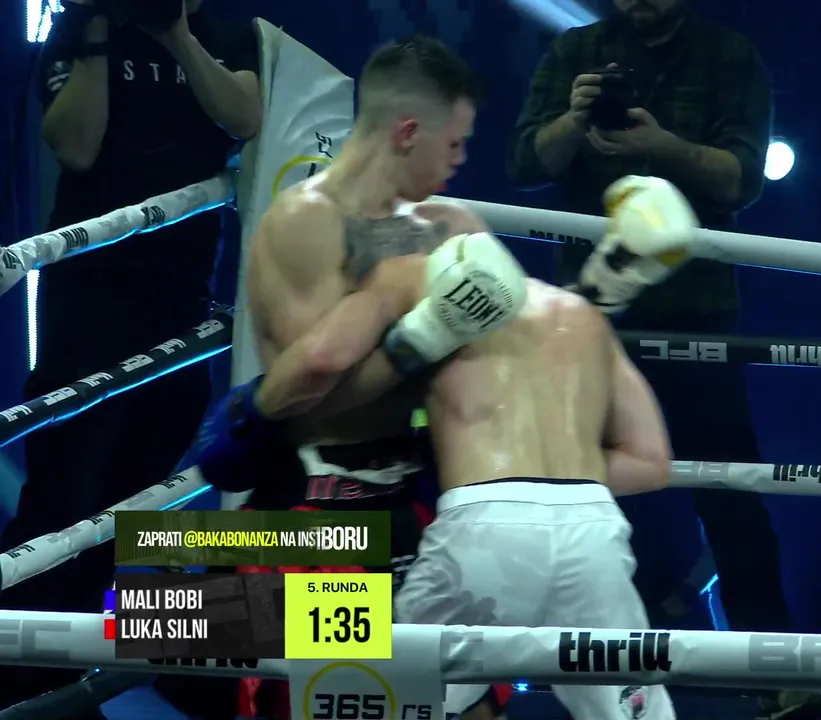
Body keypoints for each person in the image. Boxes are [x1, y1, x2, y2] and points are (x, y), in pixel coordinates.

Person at [193, 36, 523, 720]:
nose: (461, 160)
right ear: (408, 132)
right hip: (317, 516)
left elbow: (512, 348)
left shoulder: (447, 225)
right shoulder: (305, 222)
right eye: (454, 144)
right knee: (342, 698)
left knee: (477, 704)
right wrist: (424, 336)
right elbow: (309, 396)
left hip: (416, 497)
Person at [509, 4, 821, 717]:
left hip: (694, 313)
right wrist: (573, 120)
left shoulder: (728, 54)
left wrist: (667, 146)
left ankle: (773, 669)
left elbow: (743, 180)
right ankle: (568, 672)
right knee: (572, 497)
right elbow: (525, 162)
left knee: (731, 498)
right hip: (592, 316)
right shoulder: (575, 53)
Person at [0, 1, 260, 718]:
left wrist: (174, 34)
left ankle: (71, 680)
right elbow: (75, 146)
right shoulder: (82, 26)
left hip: (180, 305)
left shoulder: (230, 36)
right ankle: (20, 682)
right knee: (62, 495)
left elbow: (245, 117)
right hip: (88, 301)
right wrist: (95, 32)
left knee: (136, 503)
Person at [393, 174, 695, 720]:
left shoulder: (415, 305)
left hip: (461, 523)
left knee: (383, 690)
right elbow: (651, 463)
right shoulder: (581, 315)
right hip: (592, 528)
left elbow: (321, 381)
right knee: (635, 712)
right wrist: (559, 467)